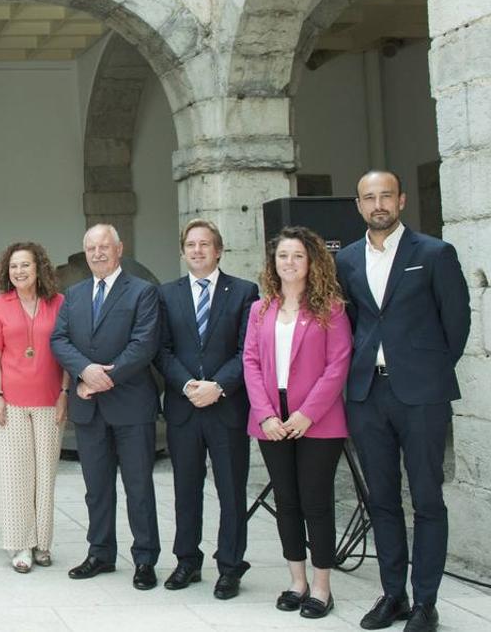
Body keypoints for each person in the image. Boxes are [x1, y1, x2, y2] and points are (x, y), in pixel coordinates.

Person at [336, 170, 471, 632]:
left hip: (421, 395)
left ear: (402, 201)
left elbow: (456, 323)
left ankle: (425, 603)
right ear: (358, 205)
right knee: (383, 499)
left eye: (386, 196)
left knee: (427, 497)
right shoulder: (347, 261)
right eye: (369, 197)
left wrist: (424, 369)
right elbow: (350, 323)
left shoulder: (434, 253)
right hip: (367, 395)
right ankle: (393, 594)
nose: (378, 204)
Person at [243, 226, 352, 620]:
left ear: (312, 262)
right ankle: (297, 581)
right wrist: (266, 415)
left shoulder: (331, 308)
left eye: (297, 256)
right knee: (287, 502)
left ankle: (322, 588)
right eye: (282, 256)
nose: (289, 263)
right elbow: (251, 364)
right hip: (272, 420)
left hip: (317, 421)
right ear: (273, 263)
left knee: (316, 503)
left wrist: (307, 414)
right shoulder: (261, 309)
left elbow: (338, 365)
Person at [50, 224, 161, 590]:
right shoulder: (74, 294)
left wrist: (102, 378)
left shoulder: (142, 292)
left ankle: (144, 559)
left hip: (131, 406)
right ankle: (100, 553)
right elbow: (59, 339)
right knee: (96, 488)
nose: (98, 253)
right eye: (91, 248)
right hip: (89, 409)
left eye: (104, 247)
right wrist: (84, 371)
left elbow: (144, 344)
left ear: (119, 249)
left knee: (138, 487)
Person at [155, 220, 258, 599]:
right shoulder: (166, 294)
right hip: (184, 408)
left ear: (219, 250)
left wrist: (218, 386)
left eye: (205, 244)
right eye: (191, 245)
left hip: (226, 406)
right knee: (186, 489)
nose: (197, 251)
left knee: (231, 490)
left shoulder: (244, 292)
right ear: (183, 251)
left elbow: (247, 350)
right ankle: (187, 560)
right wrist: (186, 385)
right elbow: (161, 350)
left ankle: (230, 566)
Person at [0, 242, 69, 573]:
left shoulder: (58, 303)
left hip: (49, 399)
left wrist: (64, 392)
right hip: (12, 401)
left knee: (44, 474)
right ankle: (20, 544)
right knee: (15, 475)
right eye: (14, 266)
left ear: (39, 269)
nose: (19, 271)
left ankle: (42, 543)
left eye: (25, 265)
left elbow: (65, 351)